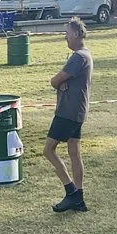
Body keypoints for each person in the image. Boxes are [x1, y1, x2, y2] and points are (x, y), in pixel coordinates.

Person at [42, 18, 93, 212]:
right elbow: (63, 80)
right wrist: (62, 82)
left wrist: (59, 82)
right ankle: (78, 198)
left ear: (78, 34)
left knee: (48, 150)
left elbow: (55, 80)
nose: (65, 37)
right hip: (78, 111)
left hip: (68, 112)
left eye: (67, 34)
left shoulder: (79, 57)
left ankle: (71, 191)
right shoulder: (84, 55)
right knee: (74, 152)